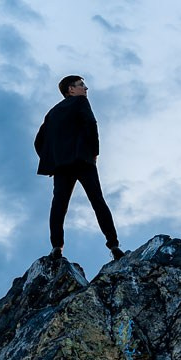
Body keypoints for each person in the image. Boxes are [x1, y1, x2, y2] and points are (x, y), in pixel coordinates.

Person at [34, 74, 121, 260]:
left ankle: (56, 247)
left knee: (59, 205)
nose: (85, 88)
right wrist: (94, 152)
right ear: (70, 90)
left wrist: (53, 159)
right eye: (81, 85)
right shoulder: (80, 102)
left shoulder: (52, 113)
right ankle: (114, 245)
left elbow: (38, 141)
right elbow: (91, 123)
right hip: (83, 160)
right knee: (97, 201)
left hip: (61, 166)